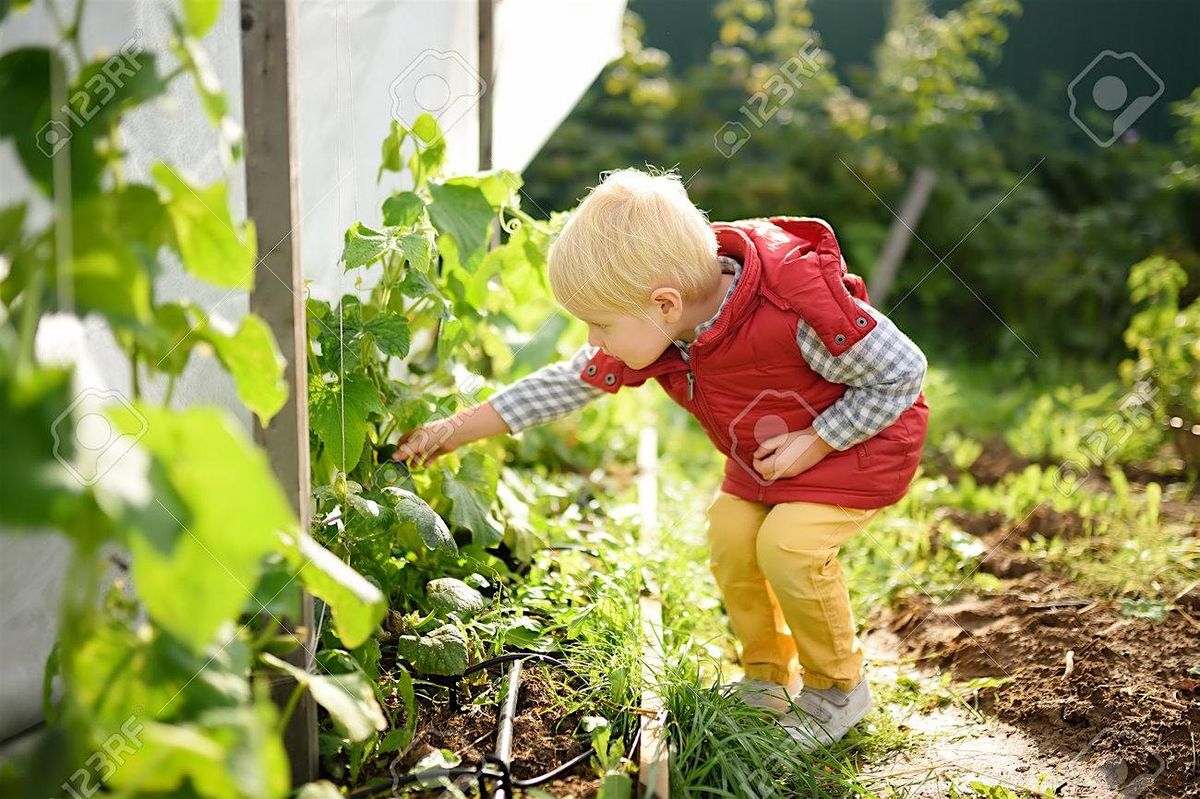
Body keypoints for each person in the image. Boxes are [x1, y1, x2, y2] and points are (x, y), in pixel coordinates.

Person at [393, 168, 929, 752]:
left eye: (600, 325)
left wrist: (820, 439)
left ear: (664, 303)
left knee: (789, 547)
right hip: (770, 457)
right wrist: (457, 427)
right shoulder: (670, 328)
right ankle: (768, 675)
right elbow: (570, 381)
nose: (594, 341)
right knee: (729, 533)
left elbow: (902, 371)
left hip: (859, 442)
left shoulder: (795, 313)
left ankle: (837, 690)